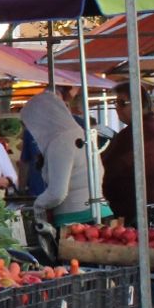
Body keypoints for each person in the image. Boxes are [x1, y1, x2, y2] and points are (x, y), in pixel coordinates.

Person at [102, 81, 154, 225]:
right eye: (116, 103)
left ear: (138, 103)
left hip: (141, 210)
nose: (118, 108)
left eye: (122, 103)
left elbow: (109, 166)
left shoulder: (137, 132)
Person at [24, 85, 102, 223]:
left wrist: (38, 205)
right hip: (99, 209)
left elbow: (57, 193)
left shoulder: (61, 142)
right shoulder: (79, 133)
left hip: (76, 217)